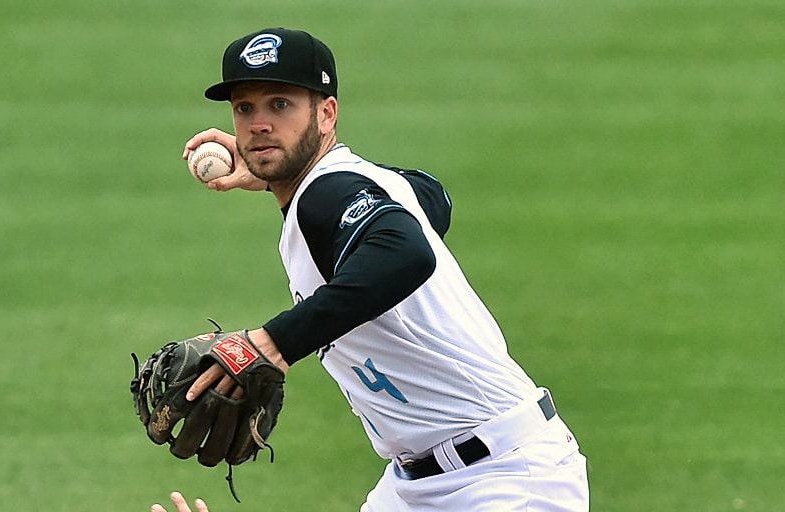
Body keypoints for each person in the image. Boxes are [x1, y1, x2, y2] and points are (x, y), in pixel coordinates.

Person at [168, 27, 589, 511]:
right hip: (415, 486)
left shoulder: (324, 197)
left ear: (326, 113)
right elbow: (432, 197)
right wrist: (275, 177)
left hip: (503, 479)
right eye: (245, 108)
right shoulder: (354, 187)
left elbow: (408, 253)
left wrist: (274, 342)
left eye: (280, 104)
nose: (259, 123)